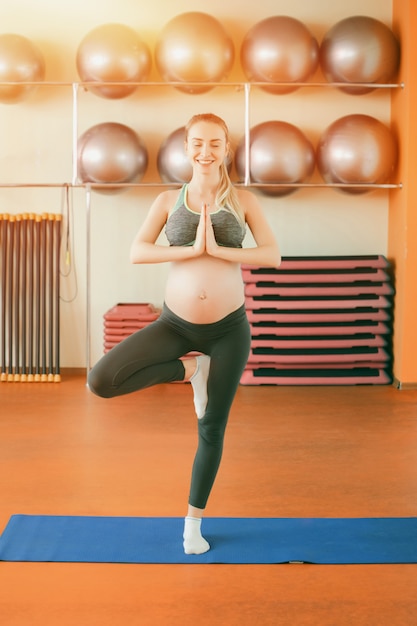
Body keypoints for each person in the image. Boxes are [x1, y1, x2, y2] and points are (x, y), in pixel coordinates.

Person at [87, 113, 281, 555]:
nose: (205, 151)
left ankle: (193, 524)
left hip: (229, 330)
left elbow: (272, 255)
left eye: (214, 143)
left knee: (211, 428)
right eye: (197, 142)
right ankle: (191, 370)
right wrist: (192, 248)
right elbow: (138, 251)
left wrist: (219, 249)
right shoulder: (166, 201)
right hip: (175, 323)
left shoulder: (244, 200)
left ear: (226, 149)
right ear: (187, 146)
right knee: (101, 380)